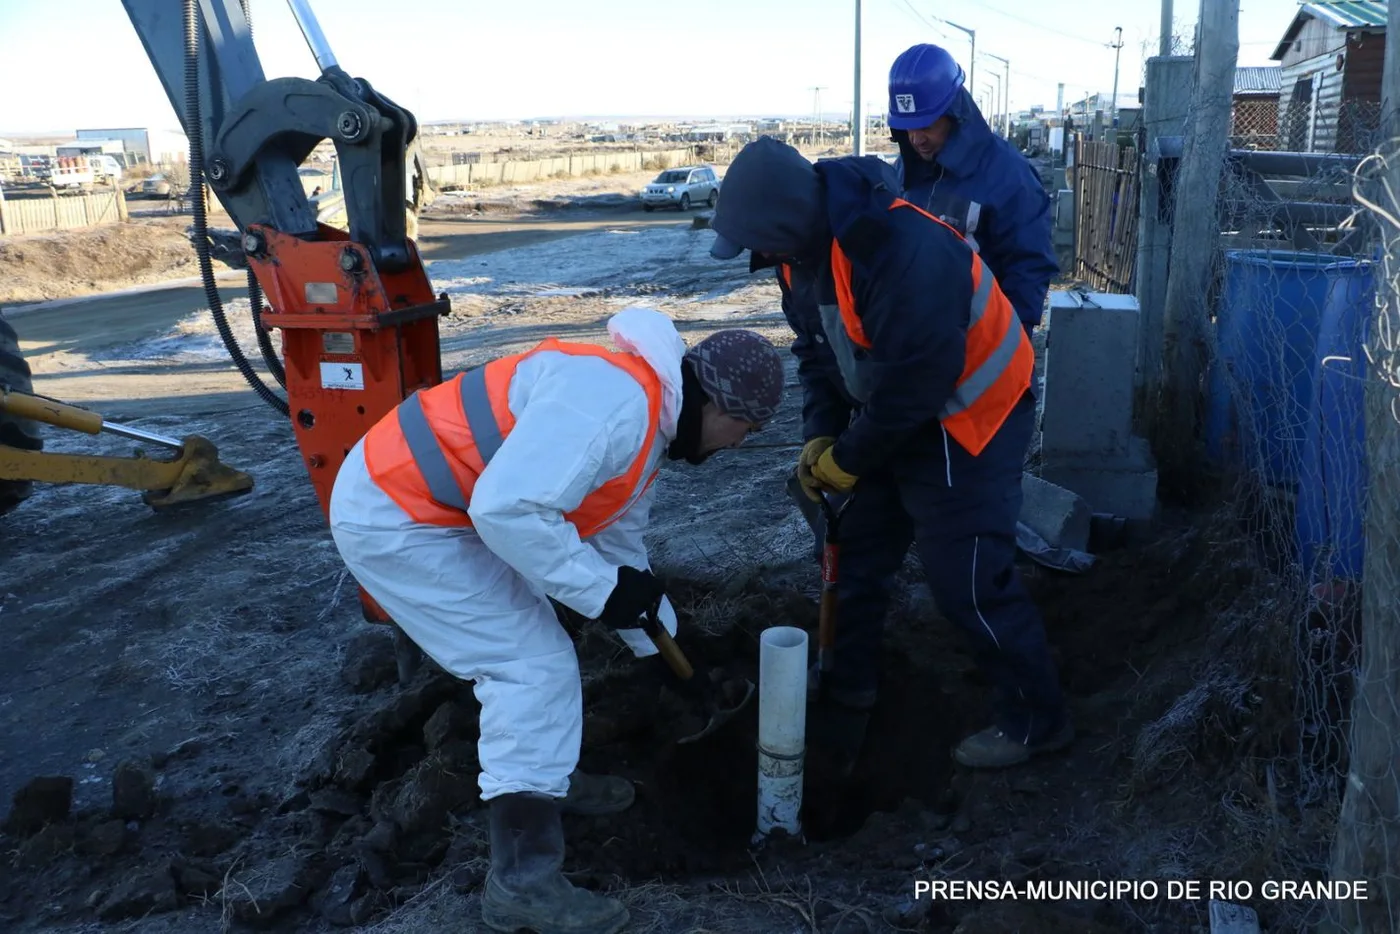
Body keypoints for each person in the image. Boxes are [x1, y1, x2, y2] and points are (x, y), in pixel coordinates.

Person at [328, 307, 784, 934]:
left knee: (542, 645)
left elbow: (615, 550)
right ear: (724, 408)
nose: (738, 446)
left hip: (441, 510)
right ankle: (523, 882)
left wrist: (665, 645)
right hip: (397, 515)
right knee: (530, 666)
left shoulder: (649, 422)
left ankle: (545, 778)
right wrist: (603, 594)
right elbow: (509, 512)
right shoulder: (615, 404)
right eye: (746, 431)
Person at [707, 137, 1071, 775]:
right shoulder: (801, 260)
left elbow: (923, 380)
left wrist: (851, 455)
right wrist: (821, 436)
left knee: (967, 579)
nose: (758, 259)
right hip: (895, 413)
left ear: (787, 223)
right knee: (851, 550)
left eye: (760, 243)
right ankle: (848, 694)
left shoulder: (901, 248)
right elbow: (818, 355)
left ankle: (1036, 721)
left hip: (970, 414)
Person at [887, 42, 1058, 336]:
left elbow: (1029, 266)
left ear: (954, 113)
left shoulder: (1009, 174)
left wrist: (1009, 343)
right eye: (907, 127)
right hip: (917, 345)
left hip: (982, 345)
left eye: (926, 125)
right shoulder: (903, 169)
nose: (916, 139)